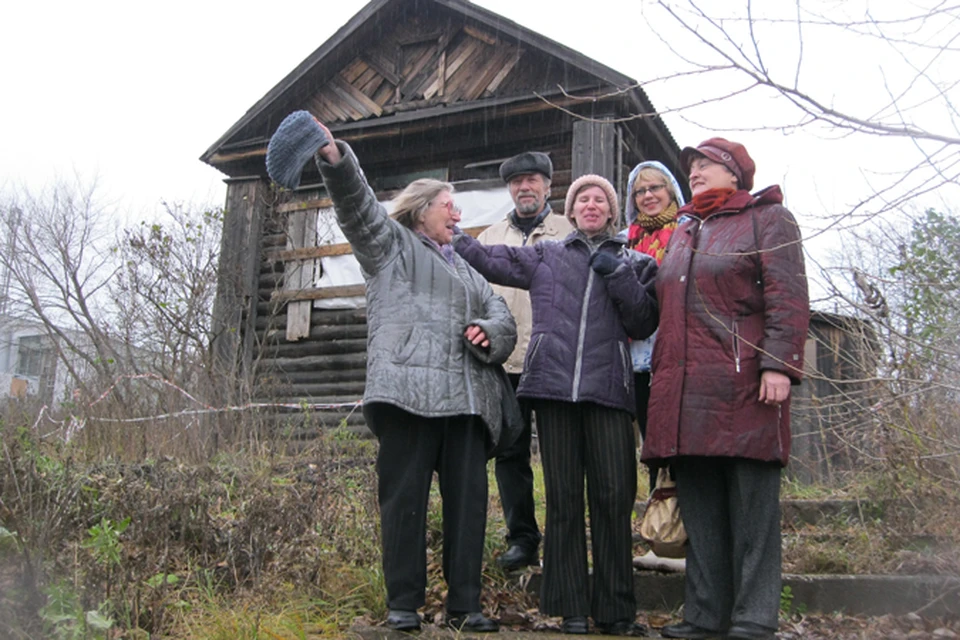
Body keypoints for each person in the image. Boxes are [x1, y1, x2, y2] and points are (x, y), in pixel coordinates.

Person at [295, 117, 518, 633]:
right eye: (449, 206)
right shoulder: (389, 247)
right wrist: (335, 159)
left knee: (469, 509)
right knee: (403, 503)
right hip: (407, 395)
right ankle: (403, 603)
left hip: (466, 401)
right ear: (421, 212)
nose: (457, 215)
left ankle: (465, 605)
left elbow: (501, 314)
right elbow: (358, 208)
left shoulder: (468, 268)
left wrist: (490, 331)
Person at [454, 174, 658, 636]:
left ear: (611, 210)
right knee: (564, 501)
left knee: (612, 498)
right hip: (553, 389)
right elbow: (490, 258)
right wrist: (452, 235)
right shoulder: (547, 254)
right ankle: (570, 609)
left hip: (608, 392)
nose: (590, 204)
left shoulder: (637, 262)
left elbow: (644, 320)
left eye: (599, 199)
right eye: (582, 198)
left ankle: (615, 611)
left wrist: (618, 272)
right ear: (572, 208)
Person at [642, 138, 810, 640]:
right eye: (691, 166)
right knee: (703, 511)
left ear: (735, 174)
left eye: (706, 165)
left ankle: (754, 617)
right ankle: (704, 616)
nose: (694, 172)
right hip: (684, 391)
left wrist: (777, 365)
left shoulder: (768, 219)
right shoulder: (685, 229)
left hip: (744, 387)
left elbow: (788, 293)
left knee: (752, 510)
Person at [478, 151, 574, 571]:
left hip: (557, 364)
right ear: (509, 189)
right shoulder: (489, 238)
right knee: (510, 455)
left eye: (532, 180)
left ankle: (565, 537)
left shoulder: (569, 232)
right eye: (516, 182)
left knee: (561, 457)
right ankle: (522, 538)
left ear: (548, 186)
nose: (524, 187)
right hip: (506, 366)